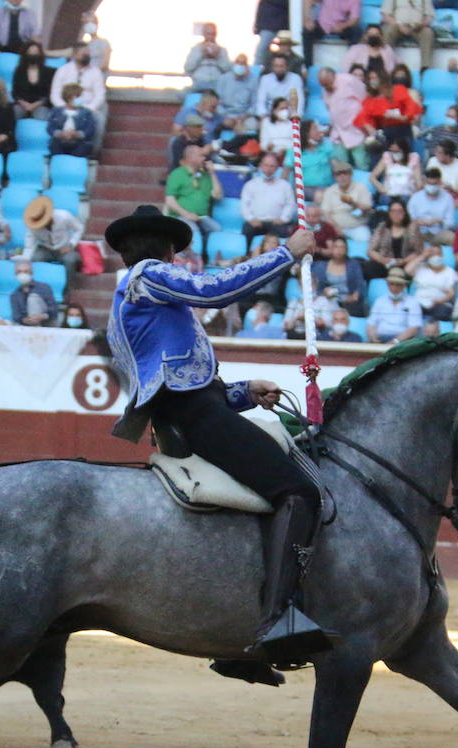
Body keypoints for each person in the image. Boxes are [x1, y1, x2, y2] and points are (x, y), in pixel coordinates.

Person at [101, 201, 330, 666]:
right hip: (192, 417)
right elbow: (213, 290)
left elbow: (185, 383)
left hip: (190, 411)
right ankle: (277, 618)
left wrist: (246, 392)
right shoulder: (149, 275)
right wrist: (286, 252)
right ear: (166, 249)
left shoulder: (139, 292)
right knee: (299, 491)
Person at [165, 144, 223, 263]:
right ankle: (193, 261)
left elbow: (218, 195)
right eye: (201, 156)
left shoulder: (205, 176)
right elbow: (170, 200)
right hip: (181, 217)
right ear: (191, 158)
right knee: (192, 231)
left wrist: (212, 173)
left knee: (217, 230)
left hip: (202, 218)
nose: (204, 158)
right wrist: (186, 214)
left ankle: (209, 260)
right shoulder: (177, 174)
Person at [239, 152, 295, 247]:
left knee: (285, 232)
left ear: (277, 168)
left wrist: (283, 219)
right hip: (255, 222)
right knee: (247, 230)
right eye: (266, 165)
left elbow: (290, 205)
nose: (268, 169)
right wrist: (251, 219)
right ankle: (247, 256)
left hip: (276, 222)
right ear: (260, 166)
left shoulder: (285, 186)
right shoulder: (251, 184)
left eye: (272, 166)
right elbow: (244, 205)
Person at [24, 196, 84, 276]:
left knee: (70, 260)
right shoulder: (34, 226)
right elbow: (30, 244)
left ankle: (69, 286)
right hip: (46, 249)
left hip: (64, 247)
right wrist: (27, 259)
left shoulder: (64, 216)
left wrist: (71, 244)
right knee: (36, 259)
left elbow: (79, 228)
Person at [367, 199, 426, 280]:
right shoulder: (382, 227)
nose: (396, 214)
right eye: (393, 211)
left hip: (405, 265)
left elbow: (418, 251)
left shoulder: (413, 228)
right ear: (389, 213)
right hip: (385, 264)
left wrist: (404, 261)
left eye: (399, 211)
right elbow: (371, 251)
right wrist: (382, 260)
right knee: (368, 267)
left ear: (405, 213)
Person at [367, 266, 422, 342]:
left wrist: (395, 341)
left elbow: (414, 328)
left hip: (403, 341)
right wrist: (373, 338)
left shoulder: (412, 303)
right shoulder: (380, 301)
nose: (395, 288)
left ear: (404, 286)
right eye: (392, 284)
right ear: (388, 285)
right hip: (380, 339)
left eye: (398, 284)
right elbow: (371, 324)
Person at [47, 83, 96, 158]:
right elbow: (50, 128)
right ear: (69, 98)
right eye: (77, 97)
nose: (80, 99)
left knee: (82, 147)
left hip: (79, 142)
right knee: (55, 144)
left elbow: (90, 130)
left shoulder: (87, 113)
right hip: (60, 140)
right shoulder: (56, 111)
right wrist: (61, 134)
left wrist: (76, 134)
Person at [382, 0, 435, 68]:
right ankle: (385, 65)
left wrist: (422, 24)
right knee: (388, 31)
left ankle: (425, 67)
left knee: (428, 32)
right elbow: (386, 14)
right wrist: (399, 25)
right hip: (397, 25)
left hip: (417, 27)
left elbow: (429, 16)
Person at [12, 41, 54, 120]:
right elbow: (15, 93)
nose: (33, 54)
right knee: (13, 114)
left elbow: (49, 94)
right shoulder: (19, 71)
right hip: (22, 104)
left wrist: (35, 105)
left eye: (35, 52)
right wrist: (24, 104)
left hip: (40, 105)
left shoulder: (48, 72)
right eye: (30, 52)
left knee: (42, 117)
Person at [255, 53, 303, 120]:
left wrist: (294, 116)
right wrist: (264, 117)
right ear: (272, 67)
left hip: (289, 116)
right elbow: (260, 102)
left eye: (281, 66)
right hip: (269, 116)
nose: (279, 69)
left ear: (287, 67)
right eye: (276, 66)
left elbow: (300, 101)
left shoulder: (295, 79)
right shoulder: (265, 79)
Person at [186, 22, 231, 92]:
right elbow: (188, 68)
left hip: (217, 84)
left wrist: (218, 56)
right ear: (204, 34)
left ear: (216, 34)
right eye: (208, 34)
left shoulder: (222, 50)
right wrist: (201, 54)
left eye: (213, 34)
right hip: (199, 83)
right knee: (182, 94)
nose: (210, 37)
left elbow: (228, 70)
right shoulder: (196, 48)